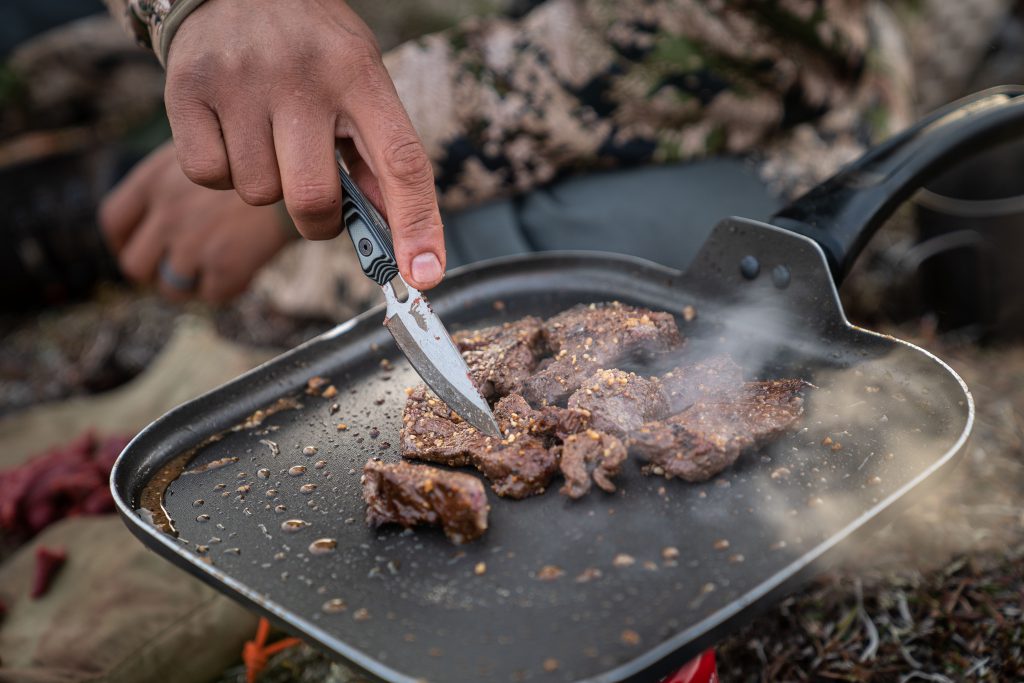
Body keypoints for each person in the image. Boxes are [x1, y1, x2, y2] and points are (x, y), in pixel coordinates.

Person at [98, 0, 1009, 307]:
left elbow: (749, 39)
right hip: (453, 29)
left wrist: (352, 126)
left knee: (691, 253)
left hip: (775, 94)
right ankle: (78, 210)